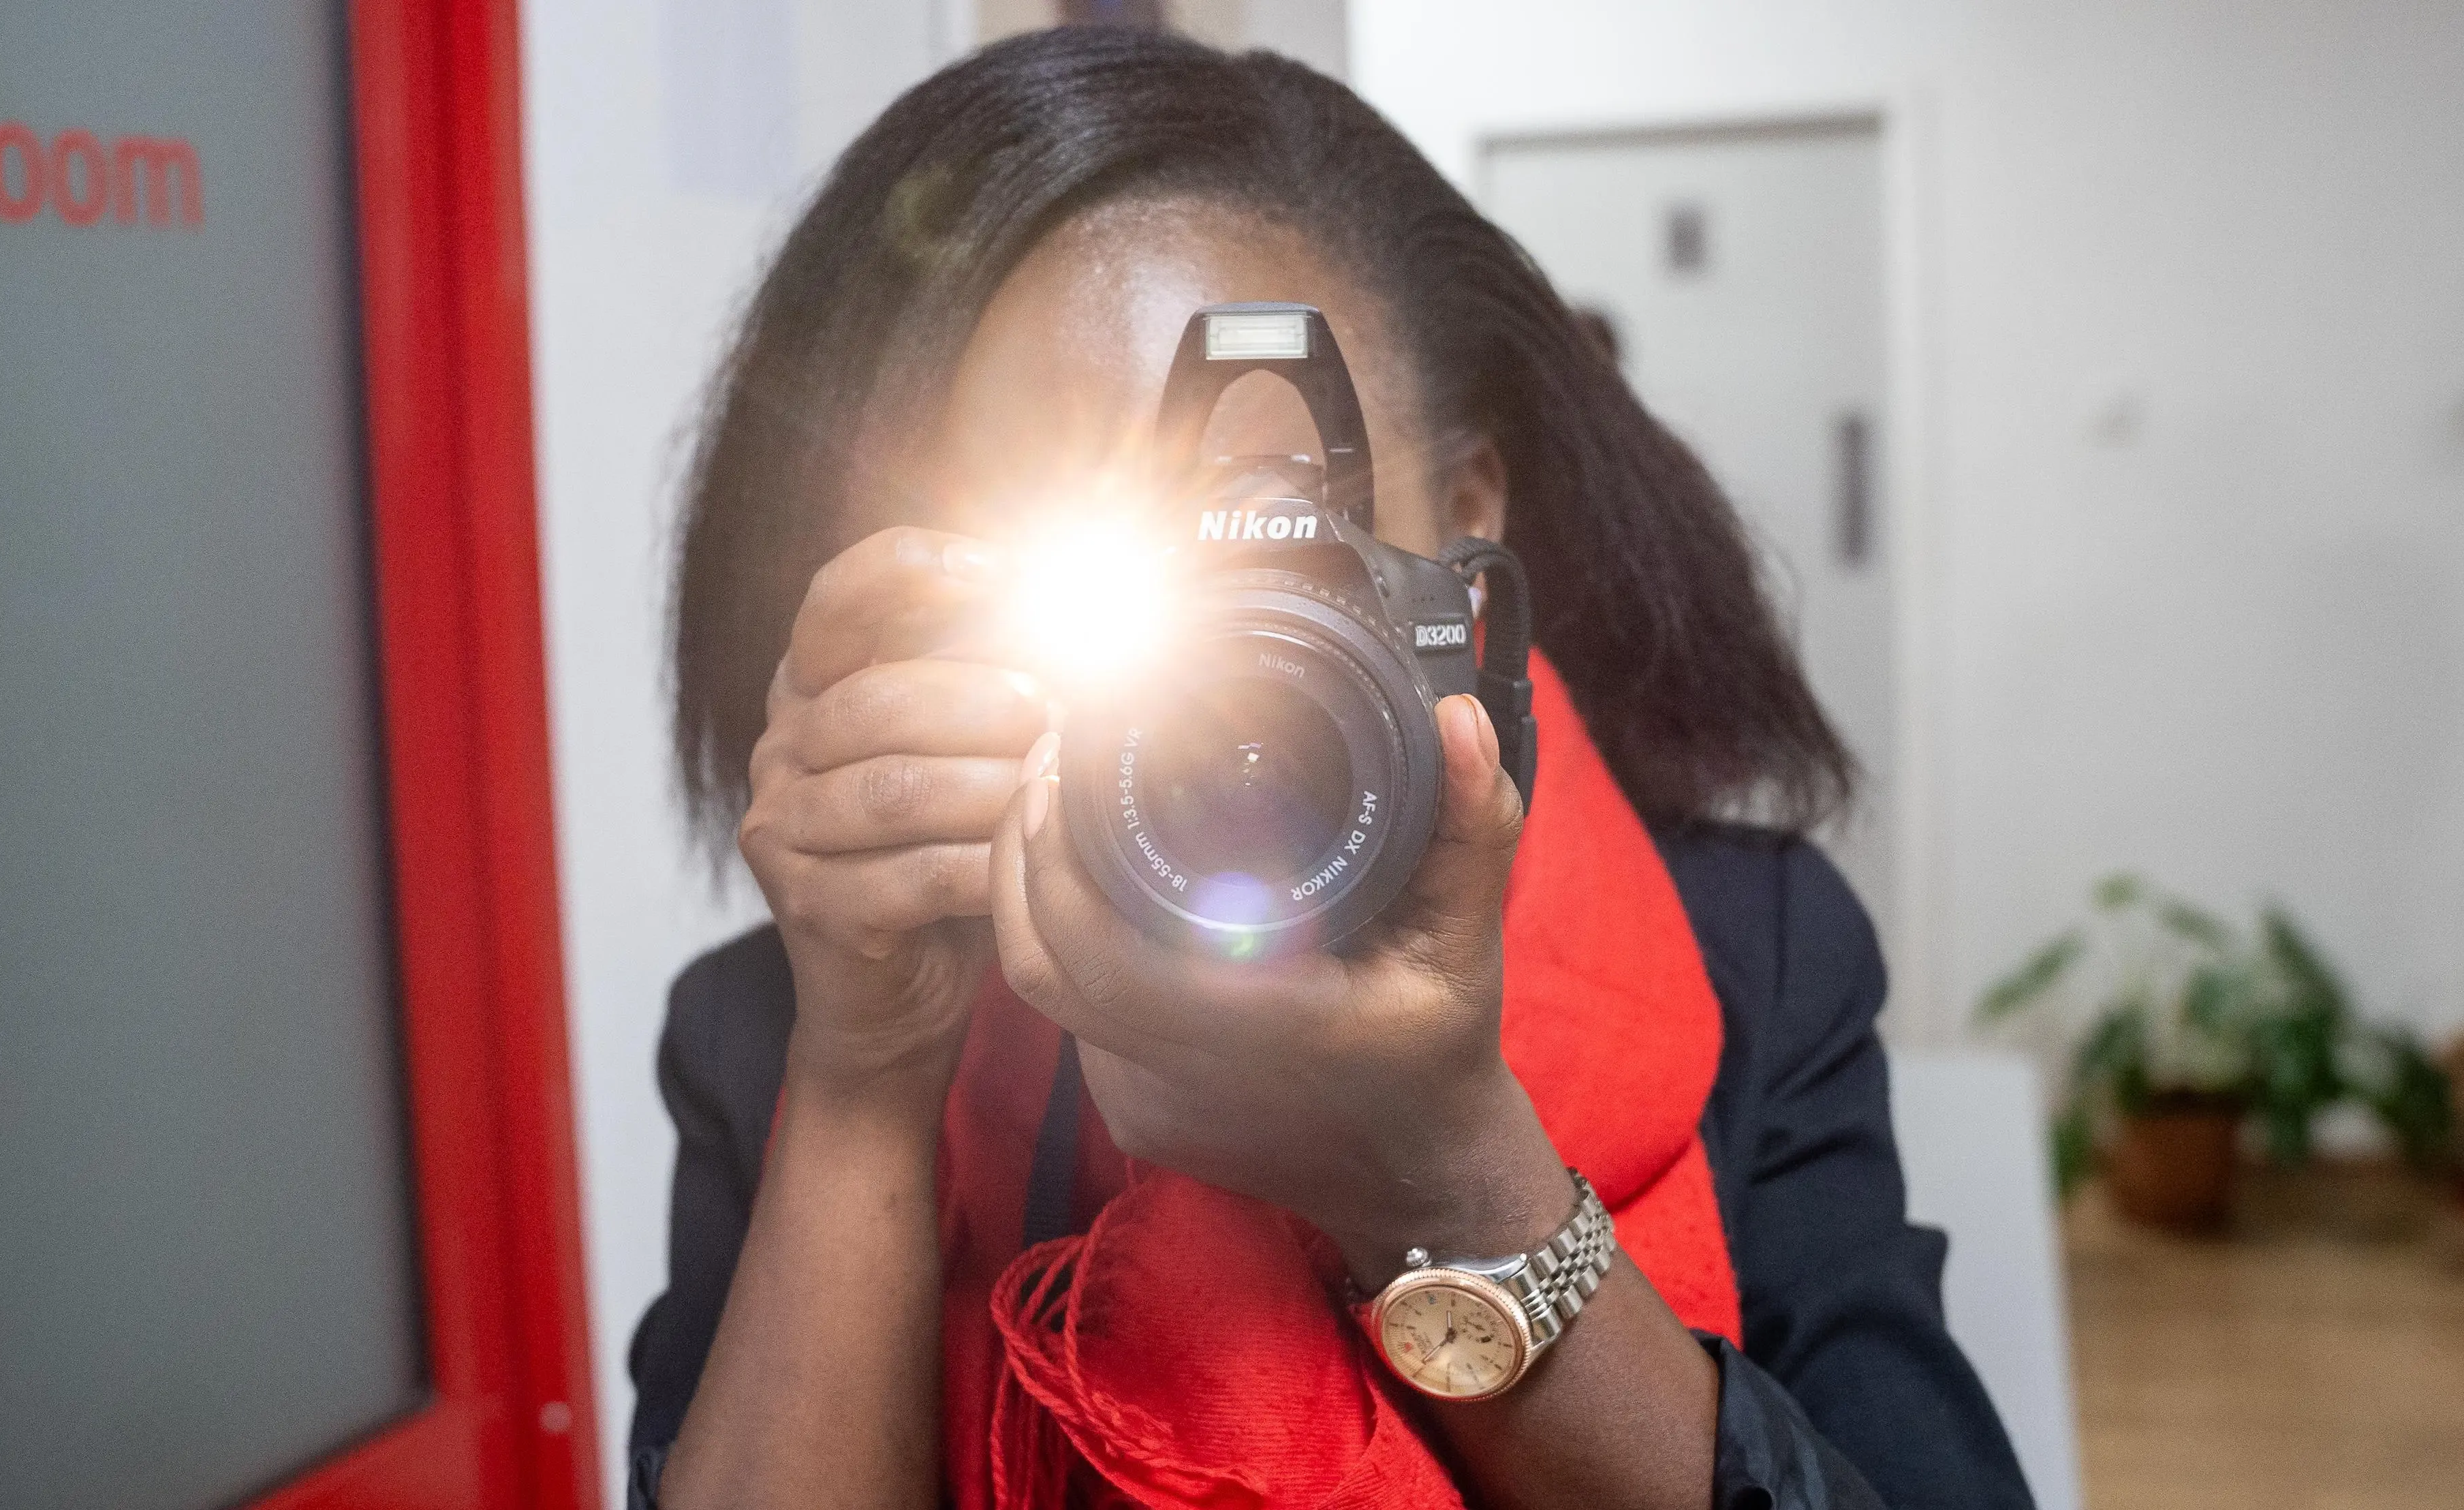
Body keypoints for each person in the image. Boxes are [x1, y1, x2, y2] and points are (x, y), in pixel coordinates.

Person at [631, 27, 2031, 1510]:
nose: (1218, 615)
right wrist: (860, 1087)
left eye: (1284, 518)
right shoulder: (787, 1022)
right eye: (1095, 543)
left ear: (1464, 528)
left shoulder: (1752, 951)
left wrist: (1444, 1173)